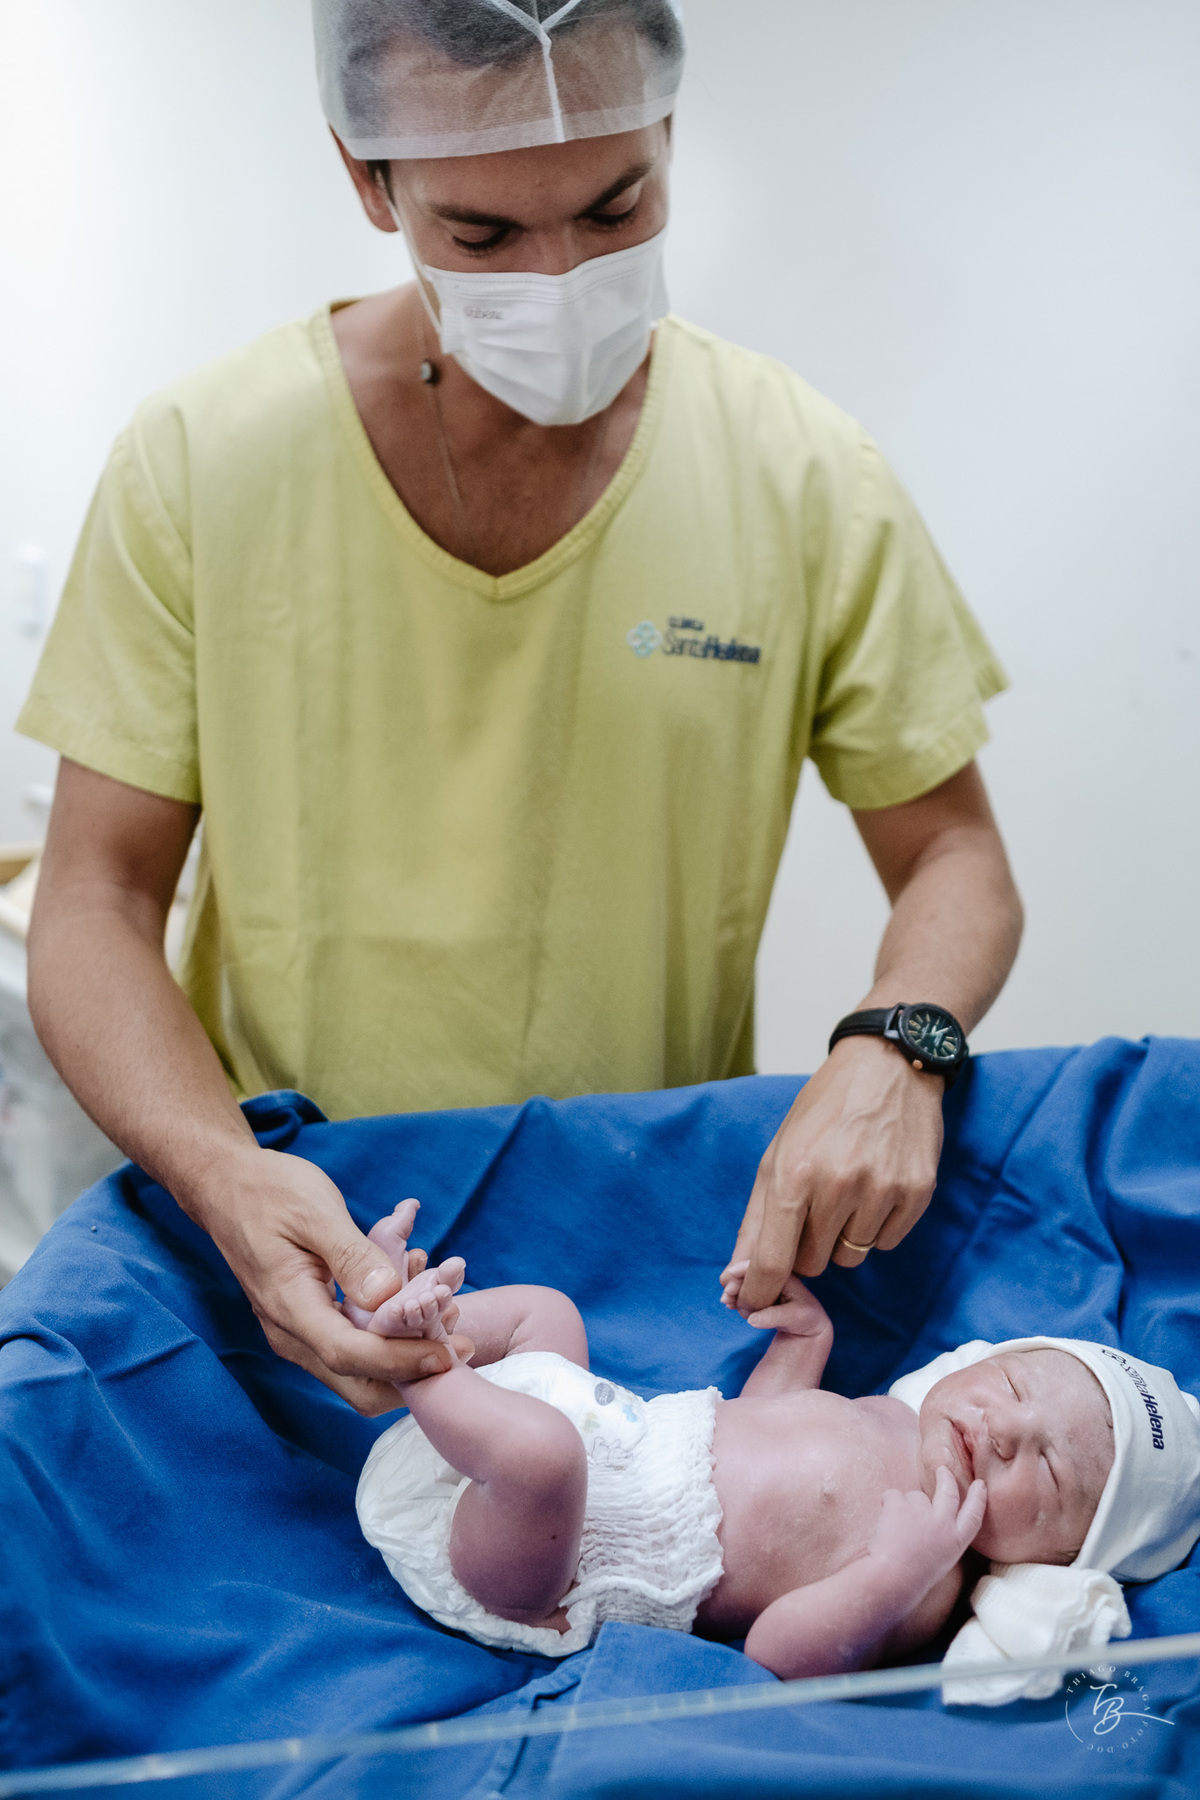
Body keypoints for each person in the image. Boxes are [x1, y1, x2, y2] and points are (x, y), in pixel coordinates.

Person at [18, 0, 1022, 1414]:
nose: (562, 276)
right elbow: (96, 903)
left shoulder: (799, 472)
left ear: (669, 132)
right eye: (485, 236)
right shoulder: (205, 463)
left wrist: (898, 1045)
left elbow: (955, 857)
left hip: (653, 1248)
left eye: (616, 206)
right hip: (314, 1241)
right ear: (369, 179)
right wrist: (228, 1176)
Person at [355, 1201, 1200, 1702]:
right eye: (1012, 1388)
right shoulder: (893, 1417)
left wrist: (892, 1576)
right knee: (551, 1316)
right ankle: (402, 1312)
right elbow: (763, 1431)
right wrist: (804, 1342)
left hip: (542, 1562)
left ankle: (420, 1367)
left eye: (1047, 1472)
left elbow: (780, 1655)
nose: (1005, 1431)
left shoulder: (928, 1580)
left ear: (1057, 1557)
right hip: (601, 1440)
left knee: (542, 1456)